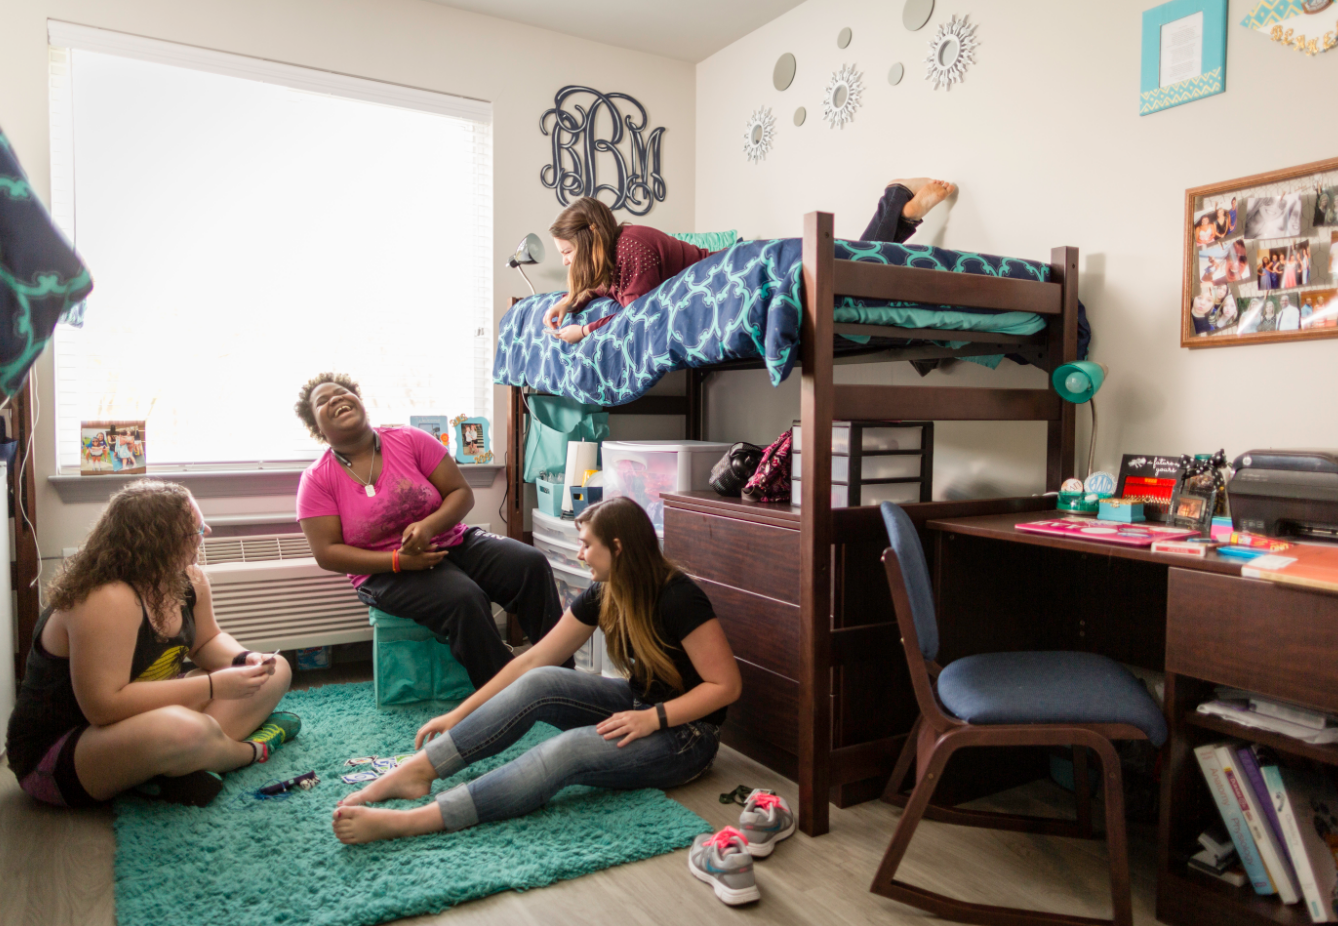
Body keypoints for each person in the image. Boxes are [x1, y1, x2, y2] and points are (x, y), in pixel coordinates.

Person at [329, 496, 742, 845]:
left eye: (586, 546)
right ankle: (418, 772)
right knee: (540, 681)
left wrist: (654, 718)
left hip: (689, 738)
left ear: (617, 547)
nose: (579, 555)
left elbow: (725, 686)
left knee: (570, 750)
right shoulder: (606, 591)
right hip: (640, 706)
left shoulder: (678, 597)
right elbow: (532, 659)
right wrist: (460, 715)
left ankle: (417, 821)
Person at [5, 480, 296, 808]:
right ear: (158, 542)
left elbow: (207, 641)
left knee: (276, 670)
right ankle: (250, 751)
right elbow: (103, 707)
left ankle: (180, 766)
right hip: (61, 752)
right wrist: (213, 686)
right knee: (179, 730)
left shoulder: (189, 577)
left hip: (138, 722)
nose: (208, 531)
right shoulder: (106, 597)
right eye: (197, 528)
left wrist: (245, 659)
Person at [294, 373, 563, 689]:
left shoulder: (409, 439)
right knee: (465, 598)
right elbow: (327, 553)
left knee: (530, 564)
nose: (336, 399)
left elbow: (461, 493)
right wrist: (398, 561)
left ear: (358, 399)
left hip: (450, 539)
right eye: (322, 401)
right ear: (316, 427)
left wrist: (428, 526)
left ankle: (560, 672)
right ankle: (506, 692)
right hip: (385, 571)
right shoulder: (316, 479)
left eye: (341, 392)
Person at [543, 178, 956, 344]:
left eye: (567, 253)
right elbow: (607, 286)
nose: (565, 263)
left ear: (593, 237)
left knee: (844, 272)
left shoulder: (633, 246)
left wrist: (585, 331)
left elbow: (637, 315)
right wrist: (570, 299)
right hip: (735, 273)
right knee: (851, 277)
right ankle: (901, 212)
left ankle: (895, 201)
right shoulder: (618, 252)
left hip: (738, 270)